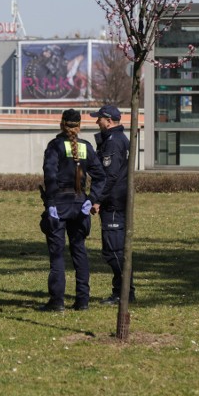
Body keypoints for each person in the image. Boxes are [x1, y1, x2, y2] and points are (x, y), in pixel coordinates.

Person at [38, 109, 106, 312]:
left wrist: (50, 203)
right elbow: (100, 176)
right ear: (79, 126)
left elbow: (50, 176)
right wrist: (92, 199)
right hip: (80, 204)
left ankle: (57, 302)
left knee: (57, 254)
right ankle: (83, 300)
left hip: (59, 204)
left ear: (62, 124)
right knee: (79, 251)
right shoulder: (86, 147)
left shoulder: (55, 146)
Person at [90, 105, 135, 305]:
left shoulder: (114, 142)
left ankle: (125, 293)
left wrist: (98, 199)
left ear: (108, 120)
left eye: (99, 118)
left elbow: (110, 175)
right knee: (115, 248)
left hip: (113, 202)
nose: (96, 122)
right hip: (115, 201)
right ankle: (121, 292)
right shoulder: (116, 139)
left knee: (113, 250)